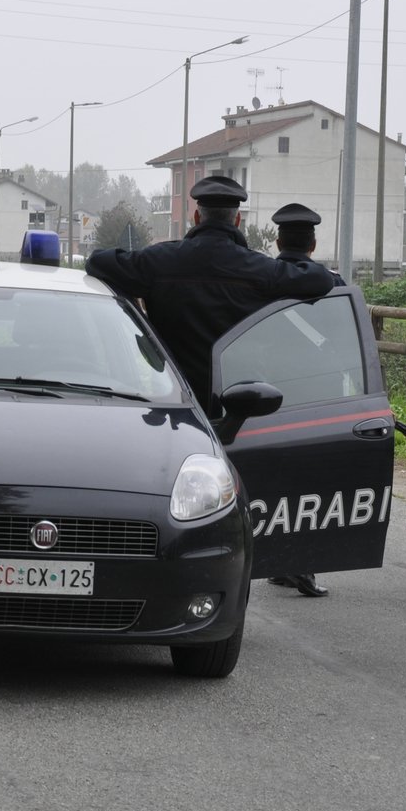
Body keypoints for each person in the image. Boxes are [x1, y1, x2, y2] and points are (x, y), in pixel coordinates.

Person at [84, 175, 336, 415]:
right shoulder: (261, 269)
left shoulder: (159, 261)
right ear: (237, 220)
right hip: (240, 407)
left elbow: (97, 262)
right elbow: (321, 280)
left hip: (177, 400)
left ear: (196, 217)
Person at [265, 202, 346, 598]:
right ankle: (304, 566)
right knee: (312, 485)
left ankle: (278, 562)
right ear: (313, 244)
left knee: (273, 480)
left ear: (278, 241)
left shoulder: (262, 280)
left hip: (265, 394)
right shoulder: (331, 282)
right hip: (317, 395)